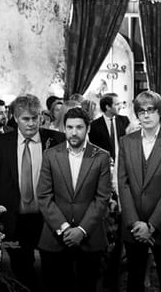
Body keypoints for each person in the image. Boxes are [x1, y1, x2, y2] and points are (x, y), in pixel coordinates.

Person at [0, 94, 65, 292]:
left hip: (48, 219)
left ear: (41, 117)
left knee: (53, 269)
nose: (31, 123)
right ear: (16, 118)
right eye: (25, 119)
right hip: (13, 220)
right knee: (21, 270)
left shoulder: (56, 140)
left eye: (35, 118)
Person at [37, 108, 112, 292]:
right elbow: (44, 196)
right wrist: (63, 228)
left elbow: (102, 198)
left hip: (90, 236)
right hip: (55, 236)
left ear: (88, 128)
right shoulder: (50, 154)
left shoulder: (101, 156)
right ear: (64, 128)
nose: (74, 132)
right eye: (69, 127)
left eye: (79, 127)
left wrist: (81, 230)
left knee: (88, 286)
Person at [118, 90, 161, 292]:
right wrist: (135, 222)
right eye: (141, 111)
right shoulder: (126, 142)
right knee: (134, 278)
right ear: (137, 114)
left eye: (151, 110)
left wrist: (152, 225)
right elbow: (123, 183)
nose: (146, 115)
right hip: (134, 224)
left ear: (160, 113)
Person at [88, 93, 131, 292]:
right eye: (117, 103)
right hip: (104, 171)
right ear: (107, 107)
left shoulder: (124, 121)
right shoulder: (95, 126)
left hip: (122, 168)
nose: (120, 106)